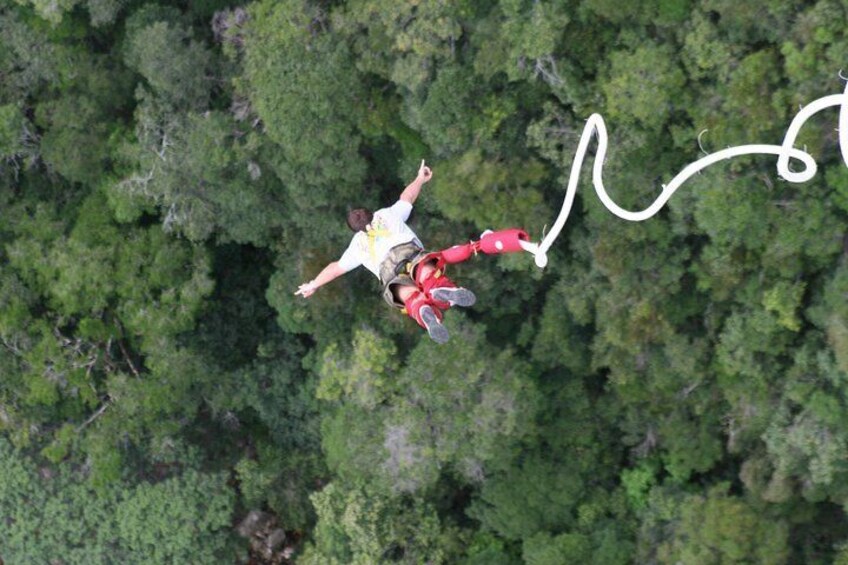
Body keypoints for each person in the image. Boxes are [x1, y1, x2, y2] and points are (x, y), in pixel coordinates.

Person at [294, 160, 475, 343]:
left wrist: (313, 284)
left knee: (408, 297)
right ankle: (439, 290)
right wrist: (420, 178)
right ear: (371, 213)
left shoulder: (357, 245)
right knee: (427, 274)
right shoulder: (387, 215)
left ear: (356, 230)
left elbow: (335, 269)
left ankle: (423, 310)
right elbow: (408, 197)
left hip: (388, 272)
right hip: (410, 253)